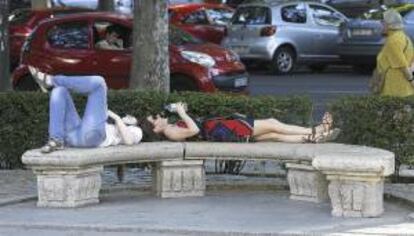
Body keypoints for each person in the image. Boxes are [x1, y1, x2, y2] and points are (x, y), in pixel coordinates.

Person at [28, 66, 142, 153]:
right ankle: (56, 139)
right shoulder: (114, 126)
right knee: (59, 91)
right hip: (75, 136)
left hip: (92, 137)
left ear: (136, 123)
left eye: (131, 117)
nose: (128, 116)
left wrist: (117, 118)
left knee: (99, 83)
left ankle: (51, 80)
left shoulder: (136, 130)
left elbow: (129, 141)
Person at [141, 102, 340, 143]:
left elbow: (193, 126)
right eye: (155, 119)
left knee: (273, 135)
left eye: (156, 115)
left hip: (224, 129)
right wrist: (183, 113)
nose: (158, 117)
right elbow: (193, 129)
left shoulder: (172, 128)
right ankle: (317, 129)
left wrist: (183, 111)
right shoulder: (170, 133)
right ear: (155, 129)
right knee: (272, 123)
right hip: (226, 131)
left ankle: (310, 138)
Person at [377, 9, 414, 97]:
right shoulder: (402, 36)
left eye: (382, 22)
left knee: (395, 109)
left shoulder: (394, 41)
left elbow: (401, 64)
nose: (380, 25)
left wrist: (411, 80)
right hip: (402, 86)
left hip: (395, 86)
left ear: (389, 24)